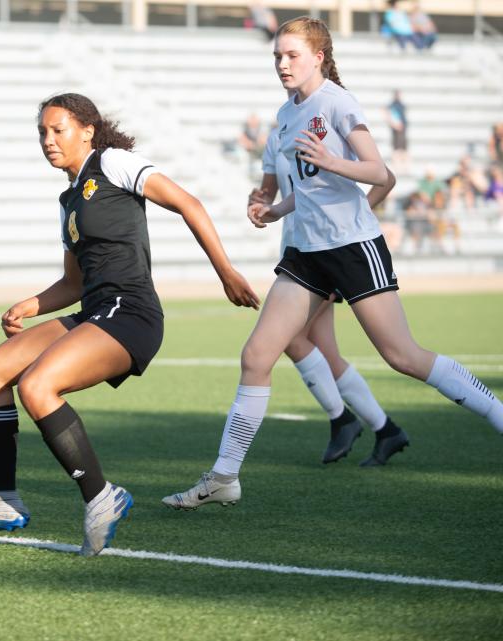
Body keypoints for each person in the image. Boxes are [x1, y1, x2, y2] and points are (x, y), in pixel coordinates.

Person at [162, 17, 503, 512]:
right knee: (257, 356)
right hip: (305, 252)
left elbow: (377, 172)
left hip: (351, 248)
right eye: (277, 55)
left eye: (291, 55)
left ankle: (496, 413)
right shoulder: (284, 115)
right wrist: (272, 209)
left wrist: (332, 163)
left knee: (402, 356)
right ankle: (224, 476)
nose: (282, 64)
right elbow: (303, 189)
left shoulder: (338, 102)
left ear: (318, 57)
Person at [0, 92, 259, 556]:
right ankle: (2, 499)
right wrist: (31, 305)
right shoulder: (67, 198)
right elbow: (74, 282)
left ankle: (100, 496)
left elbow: (188, 203)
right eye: (42, 133)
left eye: (58, 130)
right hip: (93, 312)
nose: (48, 141)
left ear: (87, 130)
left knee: (37, 386)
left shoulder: (114, 164)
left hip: (130, 313)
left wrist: (226, 272)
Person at [242, 103, 402, 467]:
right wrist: (259, 203)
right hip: (297, 251)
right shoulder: (279, 134)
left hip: (328, 249)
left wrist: (354, 215)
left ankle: (344, 420)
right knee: (323, 349)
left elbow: (385, 177)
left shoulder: (329, 121)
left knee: (294, 340)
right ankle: (382, 429)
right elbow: (268, 191)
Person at [385, 90, 409, 173]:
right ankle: (397, 167)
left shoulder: (401, 105)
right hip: (396, 130)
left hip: (402, 129)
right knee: (396, 149)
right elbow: (388, 115)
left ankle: (404, 168)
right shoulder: (392, 106)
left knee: (404, 149)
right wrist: (394, 124)